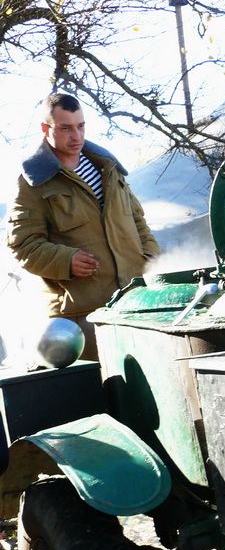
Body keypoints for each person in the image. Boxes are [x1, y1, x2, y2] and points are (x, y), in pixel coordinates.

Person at [6, 93, 160, 361]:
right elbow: (22, 244)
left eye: (81, 125)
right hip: (82, 319)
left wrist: (149, 261)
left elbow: (138, 223)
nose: (76, 135)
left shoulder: (109, 169)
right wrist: (67, 260)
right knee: (102, 397)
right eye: (65, 128)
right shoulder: (32, 182)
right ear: (46, 128)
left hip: (137, 304)